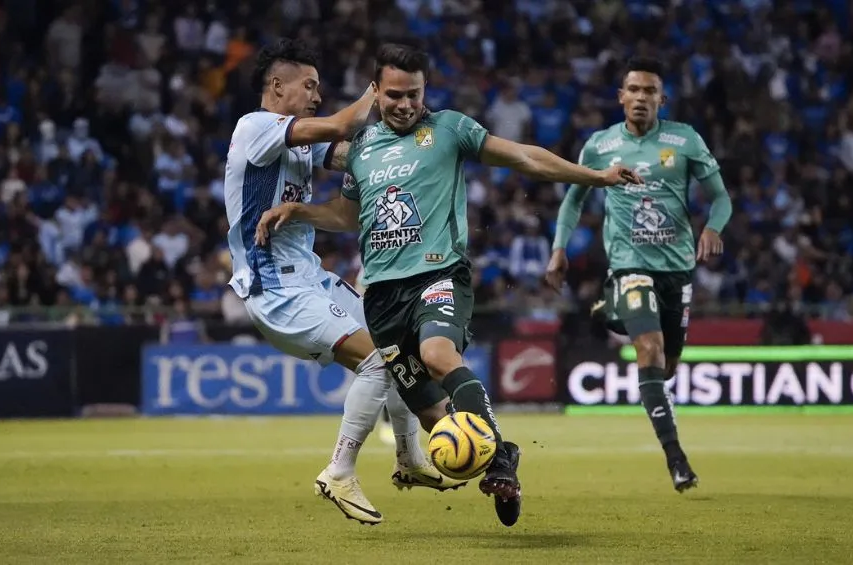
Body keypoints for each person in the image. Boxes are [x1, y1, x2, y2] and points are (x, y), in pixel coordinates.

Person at [255, 43, 641, 527]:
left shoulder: (449, 129)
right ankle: (503, 455)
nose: (405, 105)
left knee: (439, 353)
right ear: (376, 93)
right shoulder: (364, 149)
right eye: (394, 95)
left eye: (414, 94)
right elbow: (347, 215)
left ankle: (497, 462)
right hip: (381, 297)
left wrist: (597, 177)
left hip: (439, 274)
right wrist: (299, 211)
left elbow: (524, 157)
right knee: (439, 423)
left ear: (425, 91)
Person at [223, 39, 465, 527]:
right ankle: (339, 470)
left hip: (310, 278)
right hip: (276, 290)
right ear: (276, 86)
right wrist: (380, 91)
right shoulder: (255, 128)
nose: (316, 95)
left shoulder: (294, 141)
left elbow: (355, 151)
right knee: (376, 359)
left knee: (399, 351)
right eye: (309, 86)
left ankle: (408, 457)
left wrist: (421, 148)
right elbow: (342, 125)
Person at [546, 56, 734, 493]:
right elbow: (574, 200)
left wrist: (713, 227)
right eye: (634, 90)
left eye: (650, 91)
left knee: (666, 365)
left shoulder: (684, 140)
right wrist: (559, 249)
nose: (641, 98)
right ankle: (676, 459)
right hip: (630, 264)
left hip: (677, 270)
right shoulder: (599, 145)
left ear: (661, 99)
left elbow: (721, 198)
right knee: (647, 349)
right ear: (621, 97)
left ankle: (608, 310)